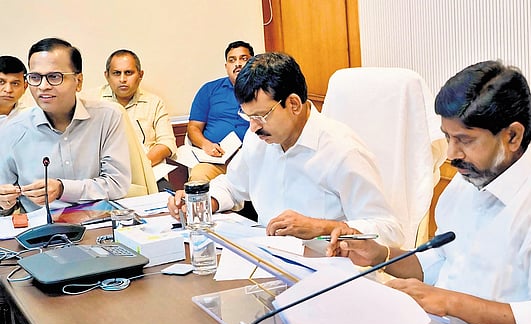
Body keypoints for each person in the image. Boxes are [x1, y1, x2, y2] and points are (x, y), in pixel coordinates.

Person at [327, 60, 531, 324]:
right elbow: (441, 265)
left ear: (512, 136)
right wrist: (380, 255)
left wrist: (451, 302)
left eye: (465, 140)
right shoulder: (466, 183)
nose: (451, 154)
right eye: (447, 137)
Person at [168, 52, 403, 245]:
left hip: (329, 269)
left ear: (293, 104)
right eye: (248, 116)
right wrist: (203, 202)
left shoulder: (342, 150)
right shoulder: (258, 139)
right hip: (270, 261)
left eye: (261, 116)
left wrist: (321, 227)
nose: (253, 127)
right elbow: (233, 186)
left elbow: (389, 230)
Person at [0, 38, 132, 216]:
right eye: (35, 77)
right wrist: (4, 202)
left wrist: (63, 189)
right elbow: (5, 203)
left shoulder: (107, 117)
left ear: (79, 81)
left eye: (54, 77)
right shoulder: (12, 130)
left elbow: (117, 184)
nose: (43, 87)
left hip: (100, 222)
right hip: (41, 227)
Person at [98, 49, 177, 189]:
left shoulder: (154, 103)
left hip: (150, 173)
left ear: (140, 75)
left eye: (128, 73)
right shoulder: (94, 102)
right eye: (116, 73)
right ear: (107, 76)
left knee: (171, 198)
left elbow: (167, 143)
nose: (122, 79)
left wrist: (141, 166)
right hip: (106, 176)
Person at [187, 40, 253, 181]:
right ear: (226, 66)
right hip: (216, 159)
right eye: (232, 60)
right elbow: (193, 128)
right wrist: (206, 145)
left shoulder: (264, 91)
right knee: (199, 177)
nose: (237, 64)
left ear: (253, 63)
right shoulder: (209, 90)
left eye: (243, 59)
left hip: (252, 159)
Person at [0, 56, 28, 127]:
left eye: (15, 83)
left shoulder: (29, 117)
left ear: (25, 87)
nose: (8, 90)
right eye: (1, 82)